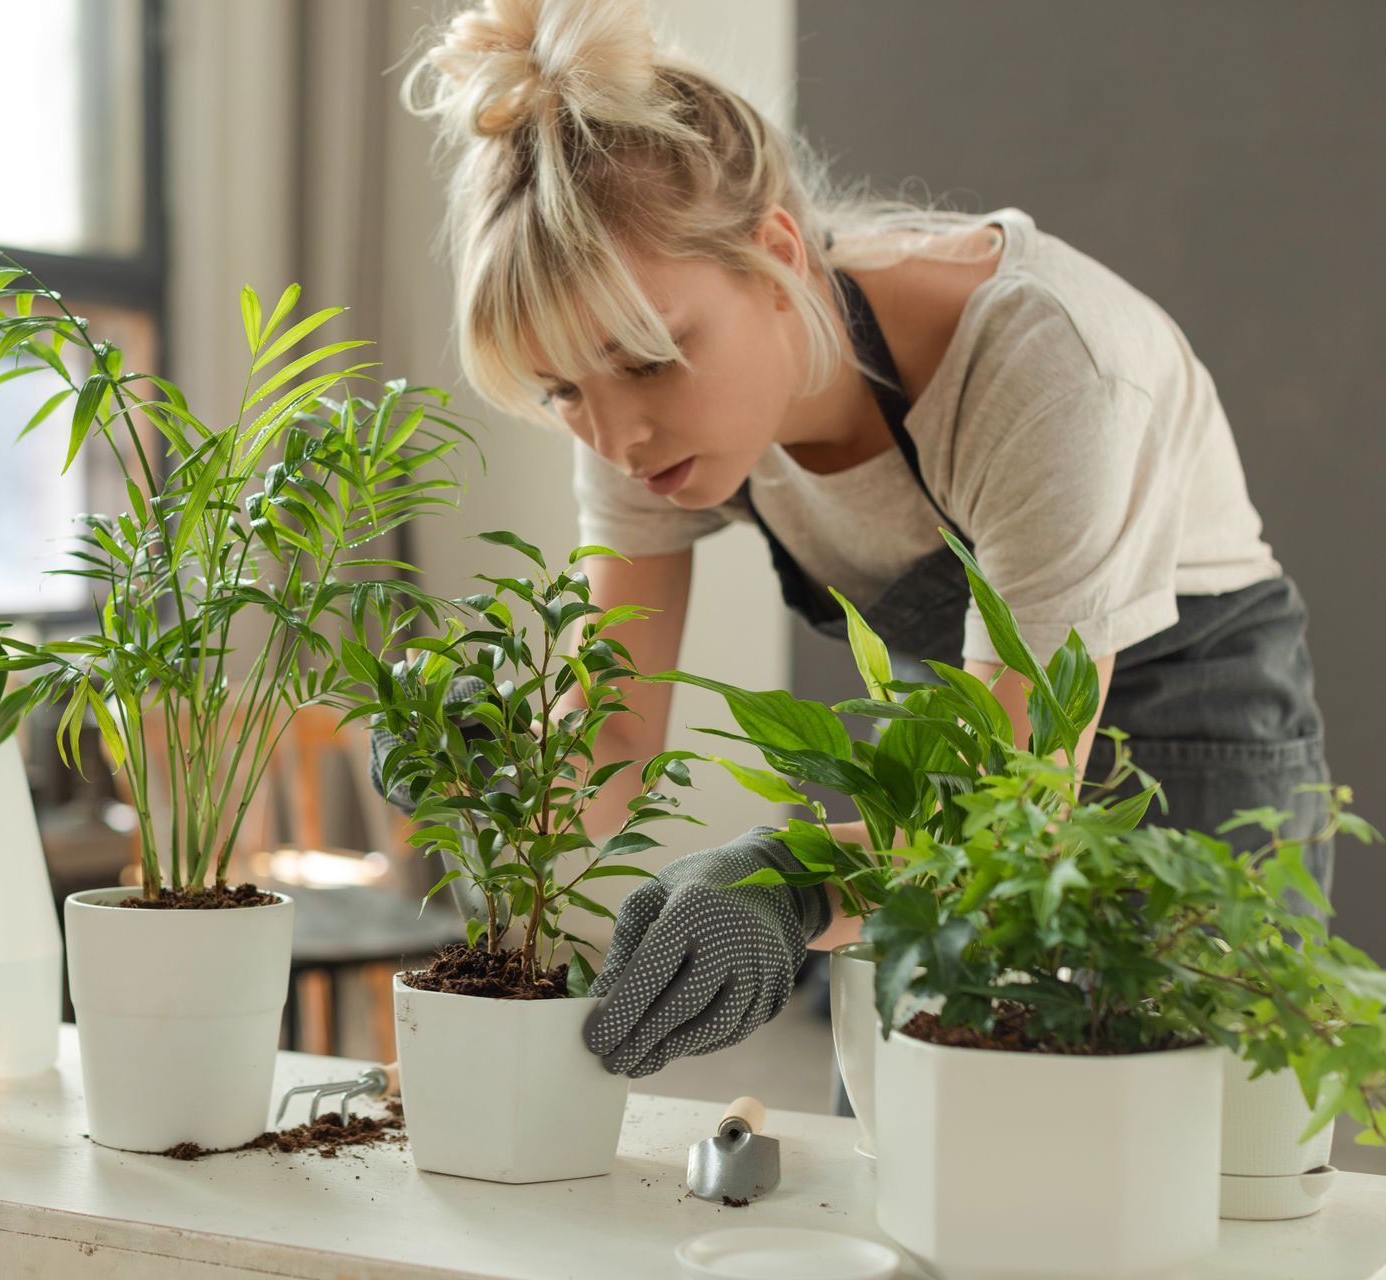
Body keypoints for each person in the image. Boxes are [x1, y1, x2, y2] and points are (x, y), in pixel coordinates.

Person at [398, 0, 1330, 1079]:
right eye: (561, 388)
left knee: (1162, 1187)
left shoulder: (1045, 367)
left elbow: (1018, 809)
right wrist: (483, 774)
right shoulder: (633, 428)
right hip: (960, 768)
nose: (615, 432)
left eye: (649, 357)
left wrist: (791, 880)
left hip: (1184, 762)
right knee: (904, 1186)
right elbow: (609, 746)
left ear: (774, 253)